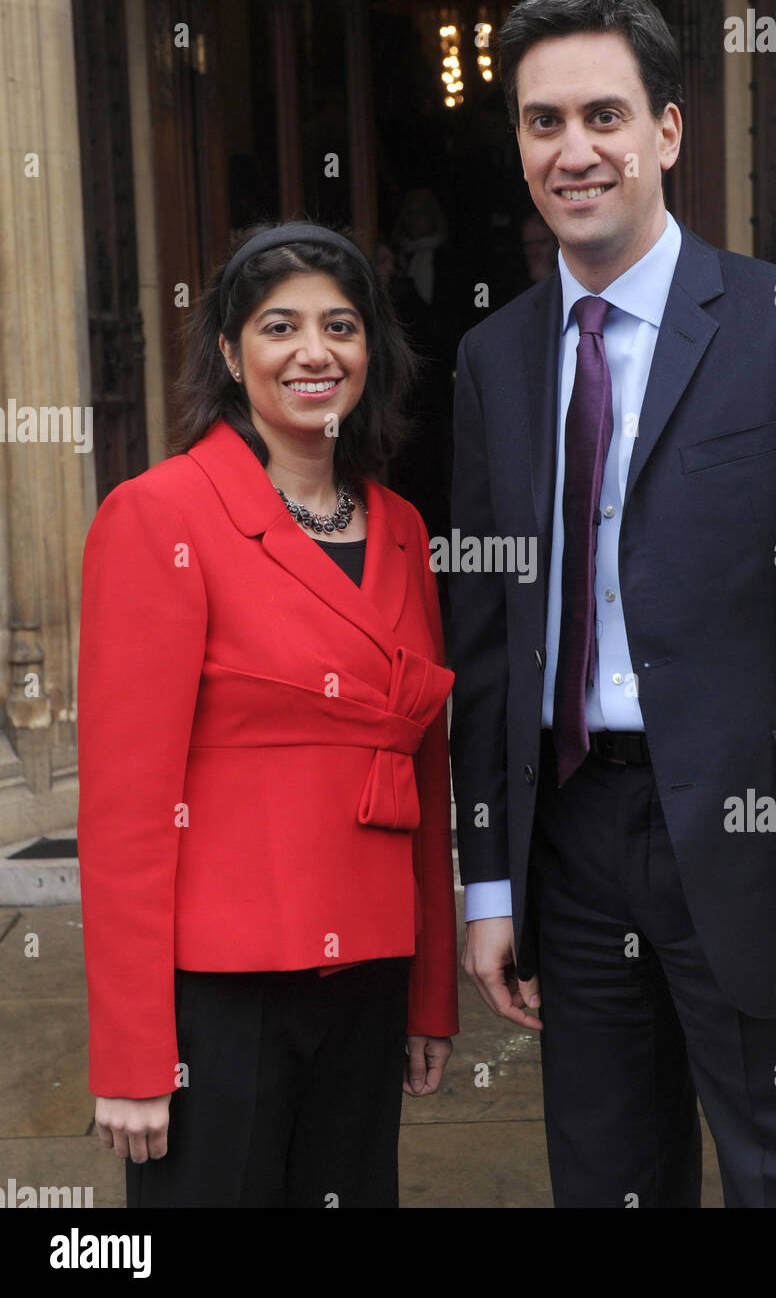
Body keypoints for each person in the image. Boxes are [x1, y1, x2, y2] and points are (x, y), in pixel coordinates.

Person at [448, 0, 776, 1208]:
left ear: (666, 131)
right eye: (543, 122)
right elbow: (491, 637)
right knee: (606, 1183)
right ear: (518, 145)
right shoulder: (493, 360)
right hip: (572, 842)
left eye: (604, 114)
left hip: (754, 851)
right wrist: (489, 882)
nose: (574, 149)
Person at [77, 220, 459, 1208]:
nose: (313, 351)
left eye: (341, 325)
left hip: (369, 982)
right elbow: (124, 809)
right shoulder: (159, 516)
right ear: (228, 351)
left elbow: (419, 776)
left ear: (371, 351)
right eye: (278, 326)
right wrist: (131, 1051)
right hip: (221, 996)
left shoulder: (406, 532)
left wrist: (429, 998)